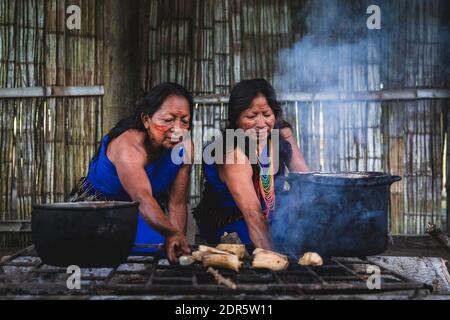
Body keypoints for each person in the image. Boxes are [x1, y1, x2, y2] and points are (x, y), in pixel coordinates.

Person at [69, 82, 194, 263]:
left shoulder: (185, 148)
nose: (178, 129)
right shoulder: (128, 146)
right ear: (146, 120)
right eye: (168, 120)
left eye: (185, 121)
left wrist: (176, 242)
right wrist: (171, 232)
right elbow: (142, 198)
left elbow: (177, 203)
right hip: (97, 210)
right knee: (108, 256)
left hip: (142, 212)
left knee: (159, 250)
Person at [193, 79, 309, 250]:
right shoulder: (230, 152)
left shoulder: (280, 135)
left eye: (267, 115)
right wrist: (271, 260)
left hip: (272, 218)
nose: (261, 124)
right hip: (233, 225)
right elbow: (253, 215)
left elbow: (306, 182)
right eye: (251, 116)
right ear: (236, 119)